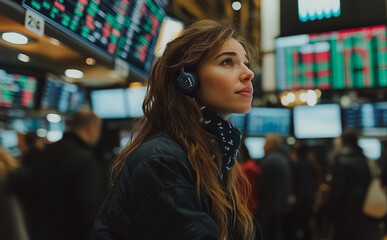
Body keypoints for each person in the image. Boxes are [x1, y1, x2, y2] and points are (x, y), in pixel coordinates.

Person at [91, 19, 257, 239]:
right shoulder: (160, 160)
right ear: (186, 79)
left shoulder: (213, 154)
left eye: (246, 63)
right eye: (228, 62)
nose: (249, 73)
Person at [16, 110, 104, 240]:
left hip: (38, 232)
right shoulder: (84, 158)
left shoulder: (48, 151)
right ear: (91, 128)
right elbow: (88, 213)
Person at [325, 129, 381, 240]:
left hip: (344, 213)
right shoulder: (365, 159)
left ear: (343, 142)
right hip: (365, 210)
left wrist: (328, 210)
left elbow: (337, 190)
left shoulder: (340, 161)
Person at [256, 133, 292, 240]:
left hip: (270, 206)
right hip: (280, 204)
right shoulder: (282, 158)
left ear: (271, 144)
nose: (263, 146)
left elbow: (262, 186)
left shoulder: (269, 161)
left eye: (265, 143)